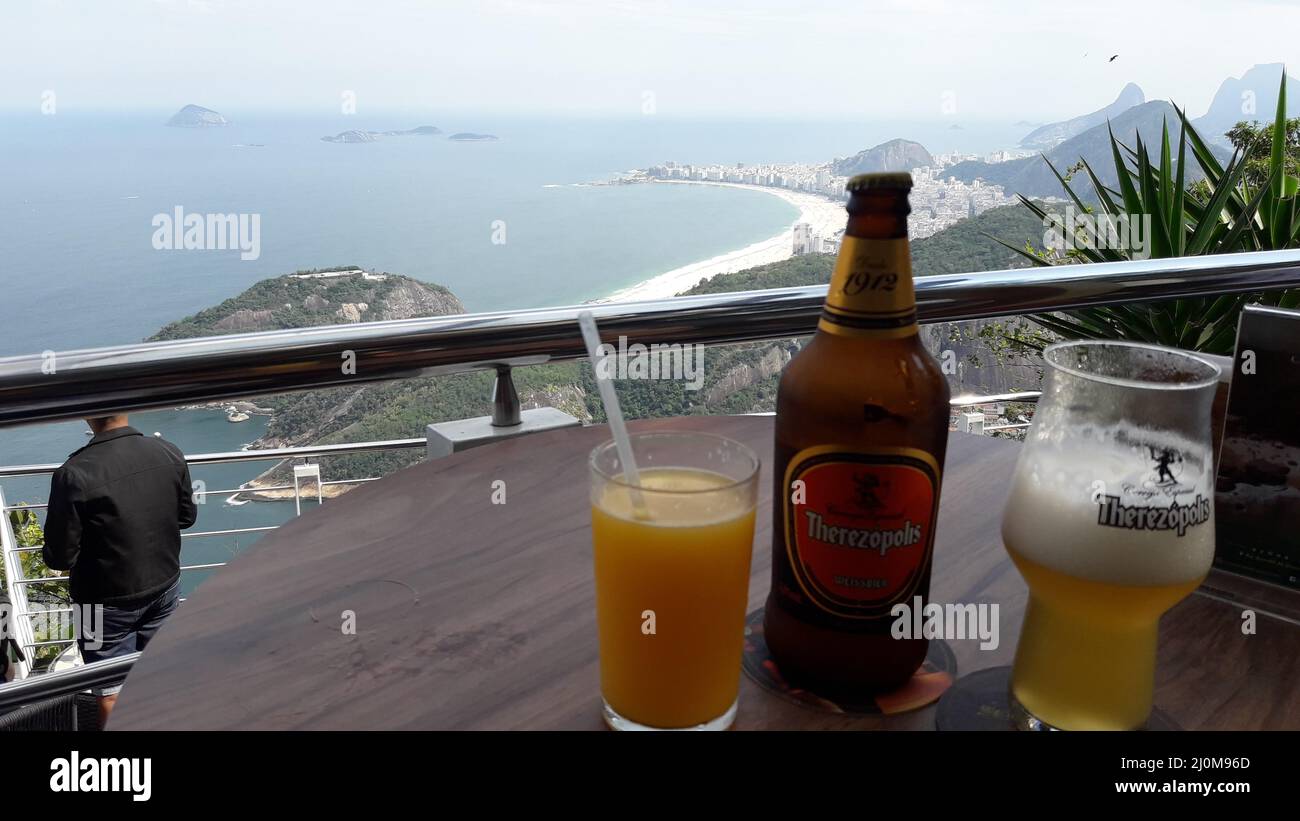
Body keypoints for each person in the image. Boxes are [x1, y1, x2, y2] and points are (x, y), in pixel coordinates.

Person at [42, 415, 197, 727]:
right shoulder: (168, 452)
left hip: (98, 608)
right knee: (157, 673)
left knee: (110, 692)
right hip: (164, 588)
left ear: (87, 415)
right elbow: (186, 517)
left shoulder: (72, 475)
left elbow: (60, 557)